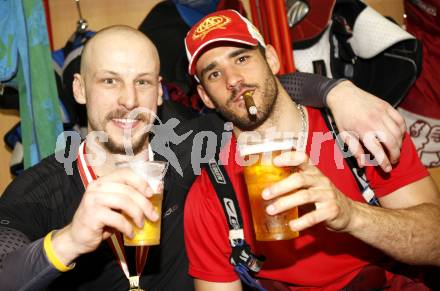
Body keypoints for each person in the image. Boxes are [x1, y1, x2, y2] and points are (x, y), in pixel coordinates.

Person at [0, 24, 407, 290]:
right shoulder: (41, 189)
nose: (128, 101)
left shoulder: (191, 145)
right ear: (79, 89)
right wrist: (70, 240)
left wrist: (337, 91)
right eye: (109, 81)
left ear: (160, 93)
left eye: (142, 82)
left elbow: (254, 91)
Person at [183, 9, 440, 290]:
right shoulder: (211, 193)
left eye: (242, 58)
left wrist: (352, 215)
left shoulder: (360, 132)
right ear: (206, 97)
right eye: (215, 73)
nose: (233, 79)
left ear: (271, 58)